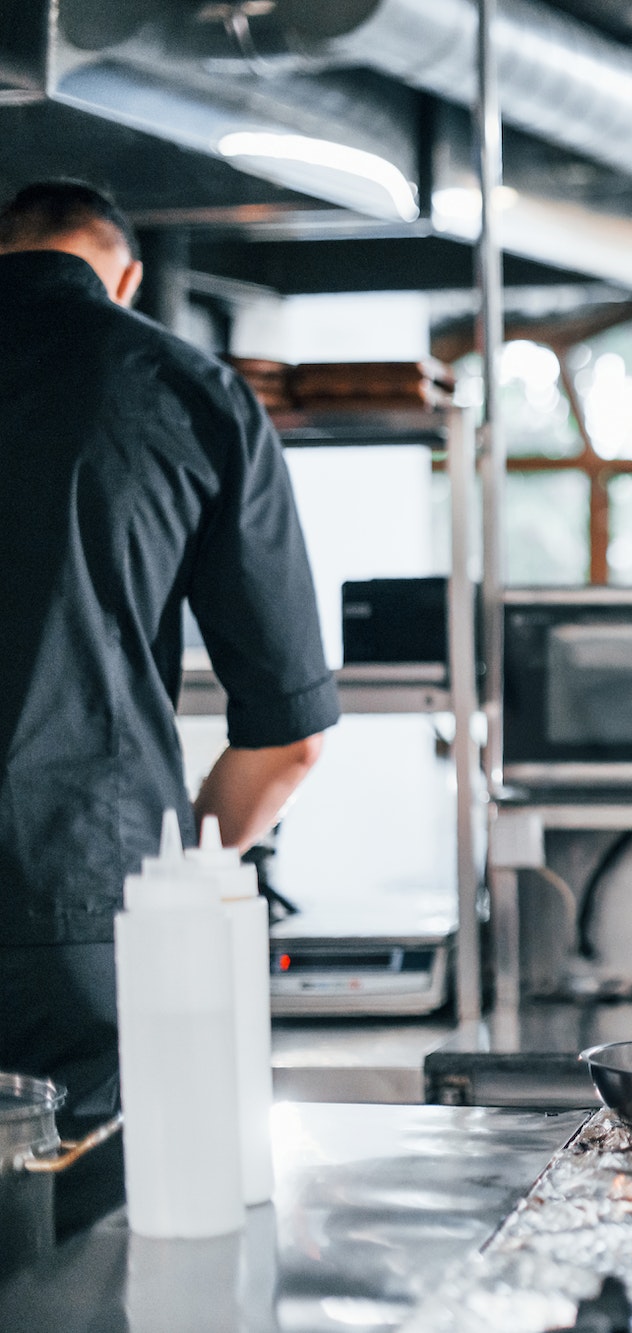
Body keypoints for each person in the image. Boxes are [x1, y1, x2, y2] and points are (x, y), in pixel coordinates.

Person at [0, 181, 338, 1227]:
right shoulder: (188, 389)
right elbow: (288, 740)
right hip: (80, 914)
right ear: (128, 277)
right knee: (71, 1261)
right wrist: (173, 876)